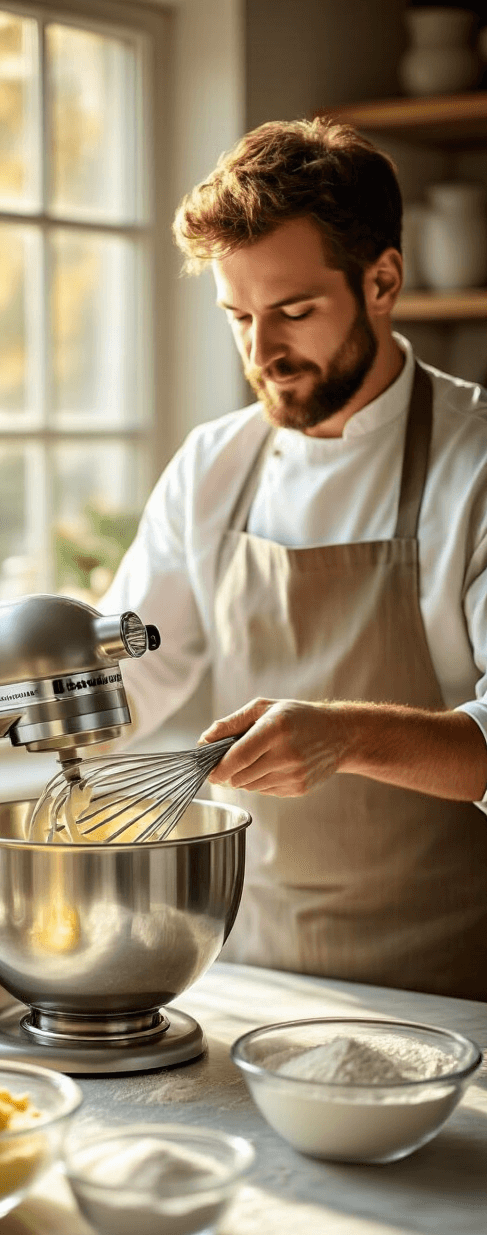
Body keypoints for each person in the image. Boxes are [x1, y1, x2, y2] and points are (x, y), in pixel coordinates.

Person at [101, 117, 487, 1000]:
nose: (262, 355)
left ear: (383, 279)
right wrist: (13, 687)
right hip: (251, 970)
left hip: (453, 987)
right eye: (239, 317)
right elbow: (134, 674)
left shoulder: (476, 466)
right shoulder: (215, 463)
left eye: (294, 313)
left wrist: (345, 734)